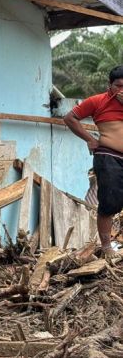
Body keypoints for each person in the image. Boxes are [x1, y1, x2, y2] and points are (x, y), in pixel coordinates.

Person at [64, 65, 123, 259]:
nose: (121, 90)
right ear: (110, 85)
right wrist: (90, 139)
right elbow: (70, 117)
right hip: (109, 156)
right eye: (118, 86)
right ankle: (107, 248)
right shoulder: (98, 101)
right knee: (109, 202)